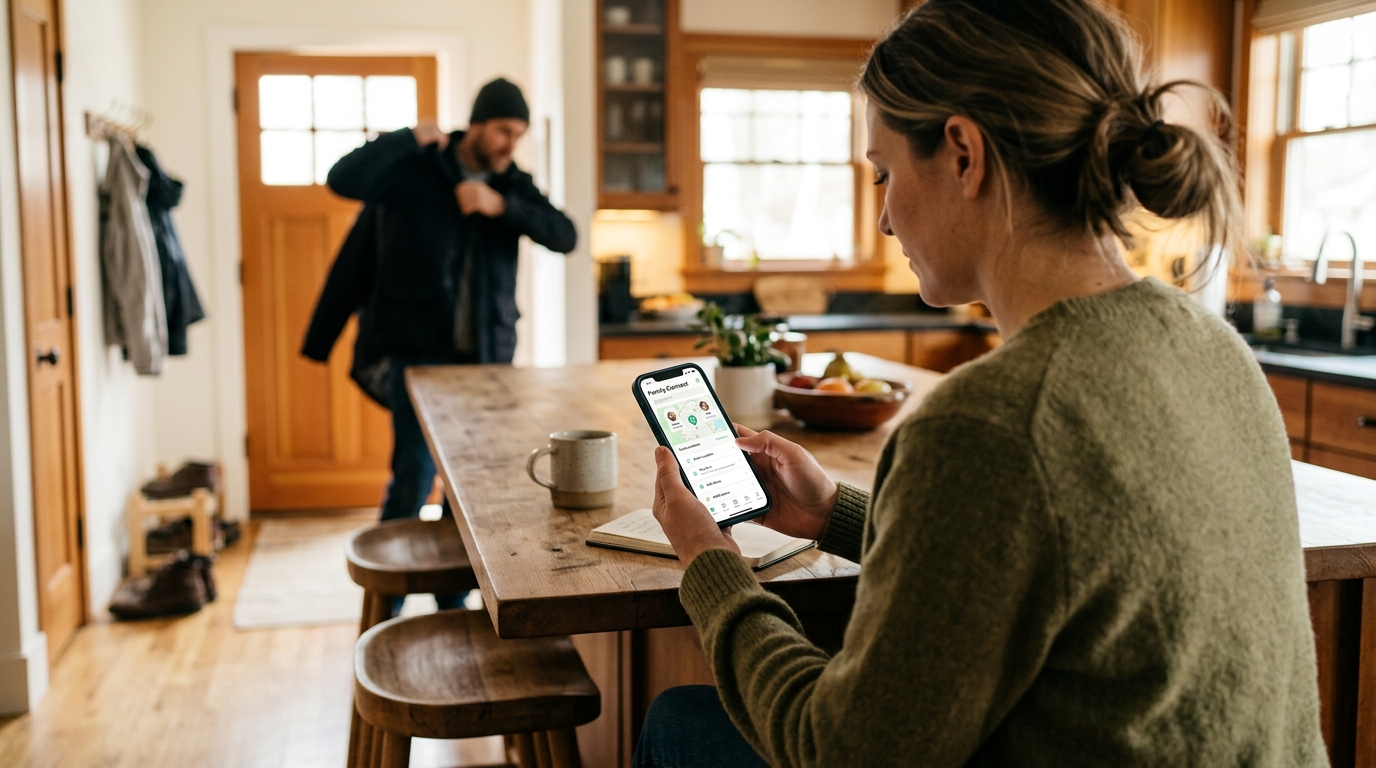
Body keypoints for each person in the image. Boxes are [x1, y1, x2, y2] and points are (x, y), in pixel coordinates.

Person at [636, 1, 1326, 766]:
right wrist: (835, 513)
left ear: (964, 154)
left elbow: (838, 751)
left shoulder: (987, 423)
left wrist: (711, 565)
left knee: (675, 723)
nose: (886, 219)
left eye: (886, 173)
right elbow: (1058, 559)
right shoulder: (1214, 347)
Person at [303, 78, 576, 610]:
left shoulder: (511, 184)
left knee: (467, 488)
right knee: (414, 476)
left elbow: (565, 235)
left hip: (485, 362)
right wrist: (405, 137)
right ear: (476, 124)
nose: (510, 144)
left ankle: (452, 610)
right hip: (418, 357)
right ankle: (384, 607)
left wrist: (501, 207)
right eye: (503, 131)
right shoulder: (416, 167)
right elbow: (343, 178)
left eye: (518, 134)